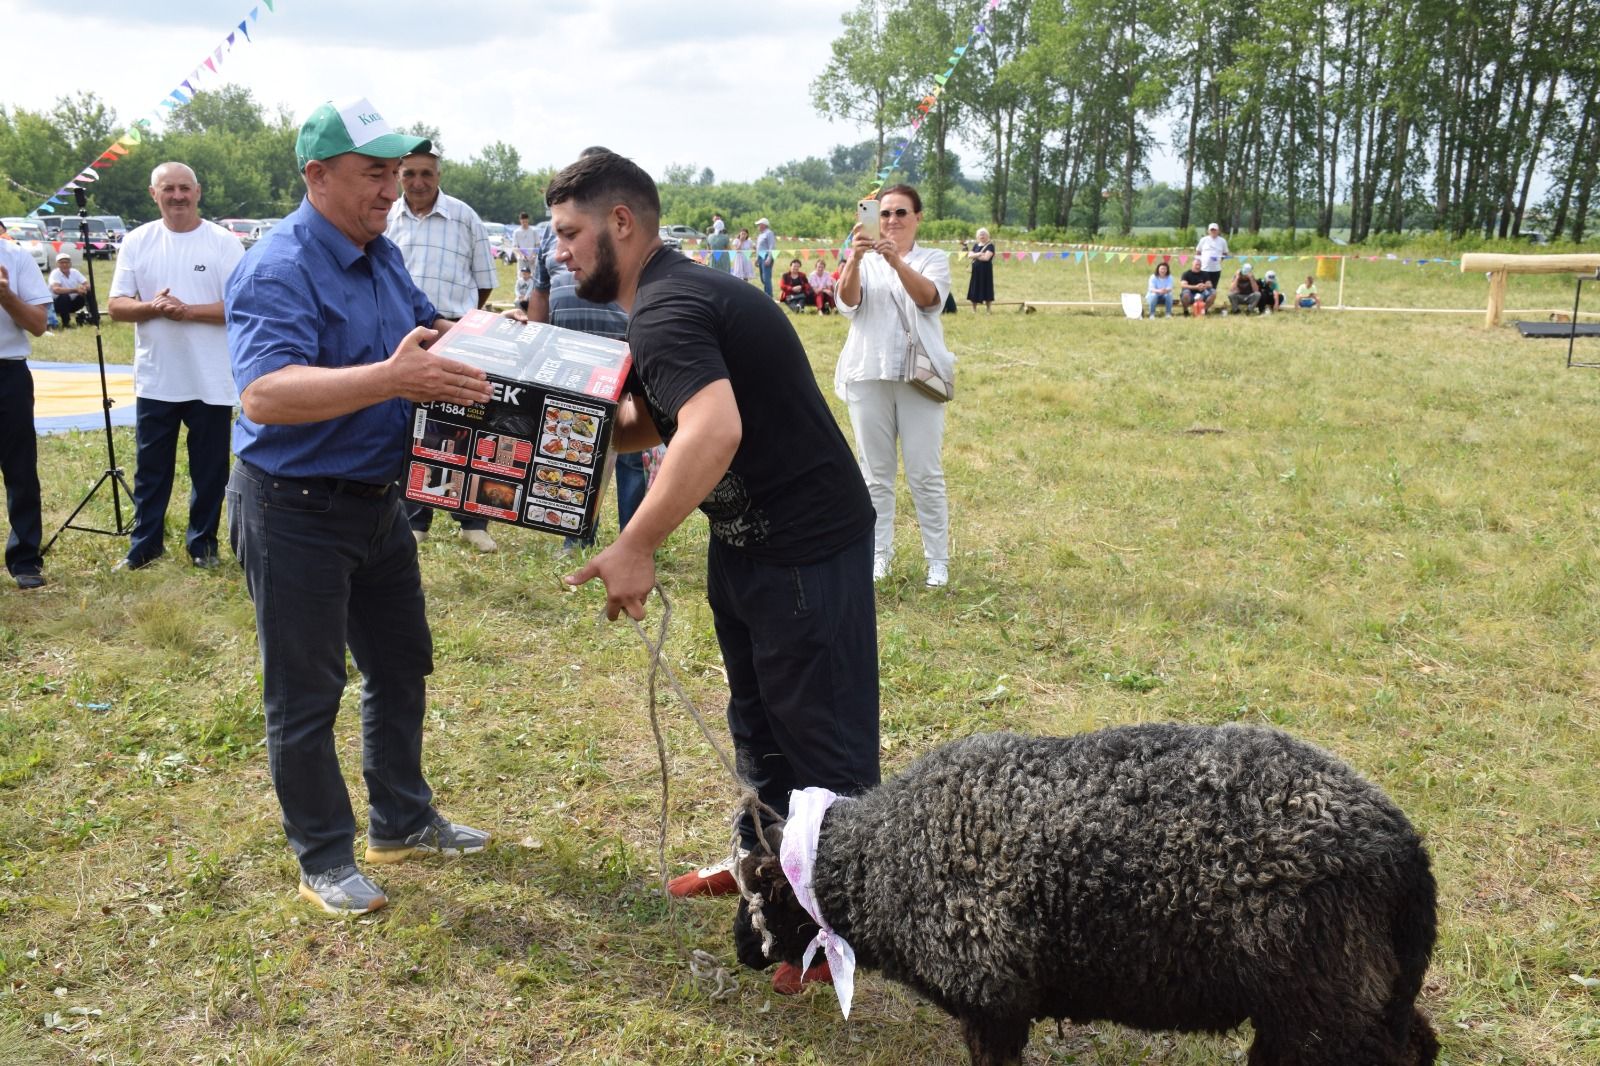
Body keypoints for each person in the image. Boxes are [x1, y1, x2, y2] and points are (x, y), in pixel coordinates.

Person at [548, 154, 877, 999]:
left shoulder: (666, 308)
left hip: (803, 548)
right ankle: (771, 879)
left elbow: (713, 430)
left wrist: (636, 541)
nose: (561, 254)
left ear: (622, 223)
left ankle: (843, 922)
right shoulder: (675, 301)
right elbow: (646, 420)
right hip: (749, 545)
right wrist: (521, 406)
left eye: (571, 235)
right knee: (760, 732)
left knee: (823, 752)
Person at [224, 97, 495, 916]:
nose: (391, 189)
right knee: (306, 693)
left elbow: (424, 330)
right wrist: (389, 379)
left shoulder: (377, 252)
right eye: (373, 173)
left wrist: (490, 335)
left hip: (376, 502)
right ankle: (324, 856)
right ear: (317, 176)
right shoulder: (277, 266)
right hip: (294, 507)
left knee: (401, 663)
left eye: (395, 172)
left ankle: (401, 819)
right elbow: (265, 393)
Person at [106, 161, 246, 571]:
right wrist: (153, 306)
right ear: (155, 194)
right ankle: (144, 546)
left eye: (185, 188)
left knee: (209, 469)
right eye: (168, 189)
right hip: (158, 377)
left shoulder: (222, 243)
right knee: (151, 470)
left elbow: (239, 308)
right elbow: (117, 305)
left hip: (210, 377)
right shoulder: (137, 241)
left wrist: (188, 312)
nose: (177, 196)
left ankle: (203, 545)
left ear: (198, 192)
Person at [527, 145, 649, 556]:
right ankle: (576, 534)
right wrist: (537, 342)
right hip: (566, 352)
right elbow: (539, 292)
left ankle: (634, 539)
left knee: (629, 450)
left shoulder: (625, 235)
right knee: (577, 445)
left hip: (621, 354)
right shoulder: (553, 234)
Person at [835, 184, 954, 588]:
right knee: (875, 475)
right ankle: (878, 556)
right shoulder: (863, 260)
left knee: (925, 473)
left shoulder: (933, 259)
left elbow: (929, 299)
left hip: (918, 376)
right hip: (869, 372)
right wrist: (855, 258)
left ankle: (937, 560)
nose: (891, 221)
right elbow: (848, 304)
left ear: (918, 218)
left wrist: (896, 262)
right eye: (884, 213)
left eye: (901, 213)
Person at [387, 147, 500, 552]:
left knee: (464, 427)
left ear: (439, 174)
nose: (418, 182)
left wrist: (460, 326)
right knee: (411, 430)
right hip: (402, 336)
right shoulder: (386, 217)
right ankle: (416, 517)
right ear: (399, 175)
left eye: (426, 174)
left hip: (455, 330)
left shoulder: (464, 216)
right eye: (410, 174)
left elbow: (485, 280)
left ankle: (473, 521)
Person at [0, 221, 51, 590]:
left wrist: (6, 297)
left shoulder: (16, 256)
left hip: (8, 372)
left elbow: (38, 324)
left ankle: (25, 559)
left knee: (20, 468)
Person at [48, 251, 96, 327]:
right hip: (57, 304)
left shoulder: (75, 272)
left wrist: (84, 288)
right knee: (64, 296)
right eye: (61, 263)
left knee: (88, 292)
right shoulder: (55, 273)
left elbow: (87, 284)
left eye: (66, 262)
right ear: (57, 264)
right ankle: (66, 323)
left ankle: (94, 318)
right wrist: (75, 290)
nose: (64, 265)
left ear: (70, 264)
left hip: (72, 304)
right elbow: (56, 290)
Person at [965, 227, 996, 311]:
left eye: (984, 234)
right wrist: (979, 254)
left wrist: (975, 255)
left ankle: (988, 309)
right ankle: (974, 309)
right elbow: (969, 255)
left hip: (986, 271)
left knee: (987, 288)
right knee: (974, 288)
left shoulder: (990, 246)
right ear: (977, 236)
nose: (982, 236)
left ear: (987, 236)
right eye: (980, 234)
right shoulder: (975, 245)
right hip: (976, 271)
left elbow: (986, 258)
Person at [1196, 222, 1228, 293]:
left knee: (1213, 288)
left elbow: (1225, 253)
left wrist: (1219, 260)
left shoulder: (1222, 241)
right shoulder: (1203, 240)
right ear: (1208, 231)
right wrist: (1199, 263)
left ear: (1218, 231)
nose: (1213, 231)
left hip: (1216, 269)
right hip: (1204, 268)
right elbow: (1198, 252)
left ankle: (1210, 301)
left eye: (1215, 230)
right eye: (1211, 230)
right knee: (1202, 287)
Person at [753, 217, 776, 297]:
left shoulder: (769, 233)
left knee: (766, 278)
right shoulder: (760, 235)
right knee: (763, 278)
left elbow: (771, 246)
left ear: (763, 225)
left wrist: (769, 258)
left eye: (759, 225)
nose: (758, 226)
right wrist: (757, 258)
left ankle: (769, 295)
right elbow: (759, 248)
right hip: (760, 256)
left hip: (766, 256)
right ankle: (767, 293)